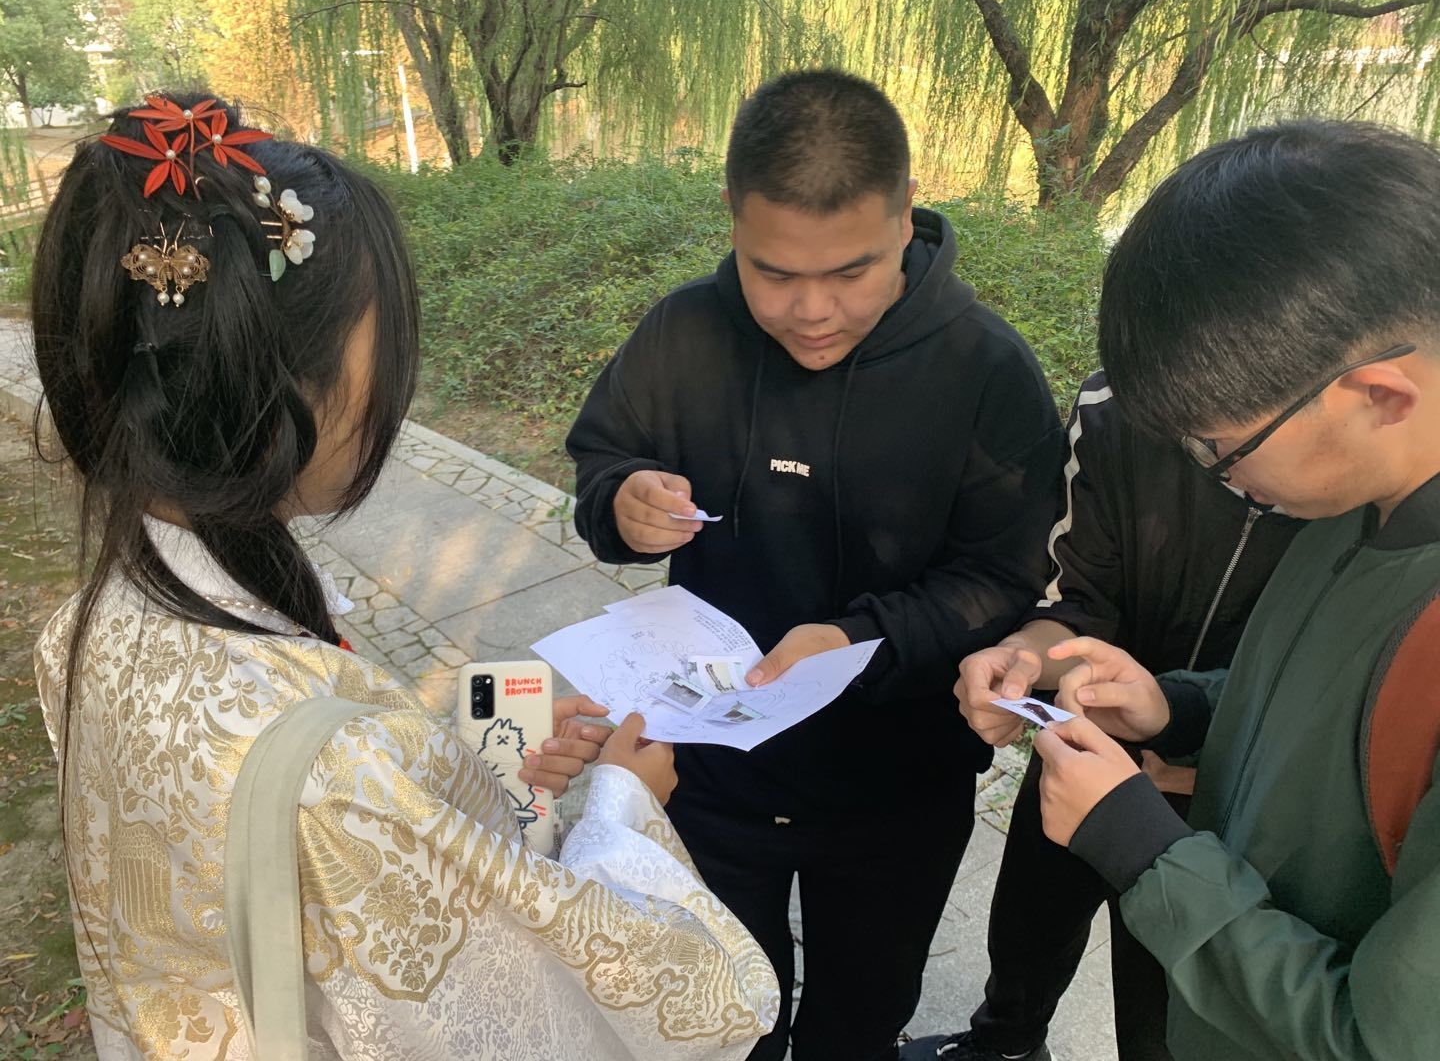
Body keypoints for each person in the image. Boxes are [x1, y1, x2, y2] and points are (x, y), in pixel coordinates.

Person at [32, 92, 778, 1060]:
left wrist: (460, 775)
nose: (393, 380)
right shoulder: (341, 781)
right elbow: (599, 1010)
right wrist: (622, 806)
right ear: (280, 387)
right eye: (379, 345)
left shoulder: (88, 627)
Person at [568, 69, 1064, 1060]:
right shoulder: (685, 333)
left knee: (858, 1027)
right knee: (719, 1021)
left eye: (850, 272)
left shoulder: (986, 372)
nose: (811, 311)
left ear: (906, 215)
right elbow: (603, 455)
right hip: (709, 770)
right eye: (774, 273)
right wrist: (620, 501)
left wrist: (857, 639)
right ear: (733, 218)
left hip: (898, 790)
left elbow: (1004, 580)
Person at [1031, 120, 1440, 1059]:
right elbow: (1324, 717)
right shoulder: (1355, 504)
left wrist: (1141, 848)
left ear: (1381, 396)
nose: (1218, 476)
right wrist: (1175, 709)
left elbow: (1380, 1041)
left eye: (1220, 448)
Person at [900, 370, 1303, 1061]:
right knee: (1029, 923)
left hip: (1240, 798)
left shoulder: (1379, 493)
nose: (1227, 471)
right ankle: (1005, 1046)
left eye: (1234, 445)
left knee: (1166, 1009)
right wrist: (1022, 659)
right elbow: (1076, 601)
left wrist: (1203, 759)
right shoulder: (1119, 408)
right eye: (1198, 444)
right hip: (1086, 741)